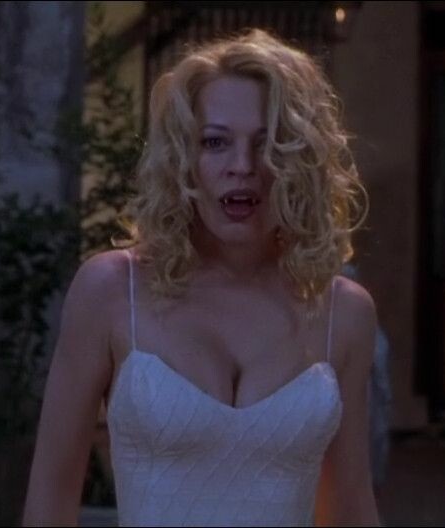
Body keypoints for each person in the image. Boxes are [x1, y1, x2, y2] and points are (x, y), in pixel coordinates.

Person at [23, 29, 381, 526]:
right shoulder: (111, 291)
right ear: (181, 159)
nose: (243, 166)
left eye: (269, 144)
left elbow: (350, 507)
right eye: (215, 142)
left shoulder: (345, 313)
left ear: (300, 161)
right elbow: (49, 503)